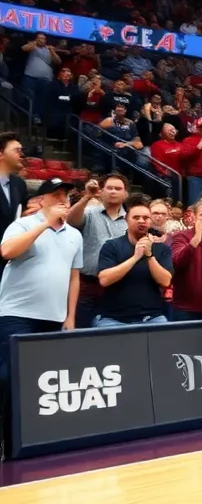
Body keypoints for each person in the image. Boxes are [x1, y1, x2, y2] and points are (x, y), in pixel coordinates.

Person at [0, 179, 82, 386]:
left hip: (54, 316)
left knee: (47, 376)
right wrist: (46, 223)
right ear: (41, 199)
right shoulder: (22, 224)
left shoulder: (75, 235)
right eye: (56, 195)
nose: (62, 200)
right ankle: (7, 418)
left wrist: (70, 316)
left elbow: (74, 277)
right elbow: (7, 251)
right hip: (17, 313)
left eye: (66, 195)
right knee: (12, 374)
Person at [95, 197, 174, 326]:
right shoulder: (112, 246)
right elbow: (104, 280)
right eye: (136, 217)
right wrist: (135, 258)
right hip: (114, 319)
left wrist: (149, 255)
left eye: (145, 218)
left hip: (152, 317)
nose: (141, 221)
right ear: (127, 220)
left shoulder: (162, 249)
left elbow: (165, 281)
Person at [67, 174, 130, 328]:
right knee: (82, 331)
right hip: (87, 285)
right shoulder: (88, 211)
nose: (113, 191)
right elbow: (70, 221)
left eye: (118, 188)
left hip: (119, 286)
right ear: (101, 192)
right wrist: (87, 196)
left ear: (126, 194)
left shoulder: (130, 220)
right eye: (109, 188)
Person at [0, 132, 30, 278]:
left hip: (9, 257)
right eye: (17, 150)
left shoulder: (19, 184)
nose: (22, 154)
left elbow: (22, 214)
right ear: (1, 153)